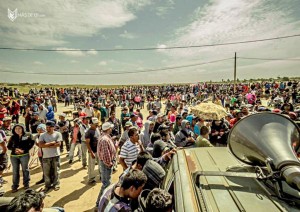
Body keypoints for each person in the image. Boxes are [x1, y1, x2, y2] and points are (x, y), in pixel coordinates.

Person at [7, 124, 34, 192]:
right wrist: (15, 149)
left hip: (24, 155)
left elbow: (32, 143)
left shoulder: (28, 135)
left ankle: (26, 184)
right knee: (15, 171)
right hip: (14, 156)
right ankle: (15, 186)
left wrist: (24, 150)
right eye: (16, 129)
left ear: (22, 128)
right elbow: (9, 146)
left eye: (19, 128)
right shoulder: (13, 137)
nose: (18, 130)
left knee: (25, 169)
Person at [96, 122, 116, 207]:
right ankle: (99, 203)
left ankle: (101, 202)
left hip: (106, 164)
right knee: (106, 184)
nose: (111, 129)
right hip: (106, 165)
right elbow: (106, 154)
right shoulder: (104, 139)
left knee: (107, 183)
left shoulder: (105, 137)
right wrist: (110, 164)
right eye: (110, 128)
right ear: (108, 129)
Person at [38, 121, 62, 192]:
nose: (48, 129)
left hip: (56, 155)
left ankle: (56, 184)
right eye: (47, 127)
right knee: (46, 172)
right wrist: (52, 143)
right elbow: (41, 145)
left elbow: (58, 144)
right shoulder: (42, 135)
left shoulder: (58, 134)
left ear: (53, 127)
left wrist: (46, 145)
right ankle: (47, 185)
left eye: (49, 127)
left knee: (56, 171)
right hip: (46, 156)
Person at [85, 117, 101, 184]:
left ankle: (101, 176)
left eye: (97, 124)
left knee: (100, 164)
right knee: (92, 166)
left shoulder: (97, 129)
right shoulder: (88, 132)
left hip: (98, 151)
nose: (97, 125)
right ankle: (91, 179)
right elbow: (87, 143)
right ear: (91, 124)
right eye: (95, 124)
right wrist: (91, 152)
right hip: (93, 151)